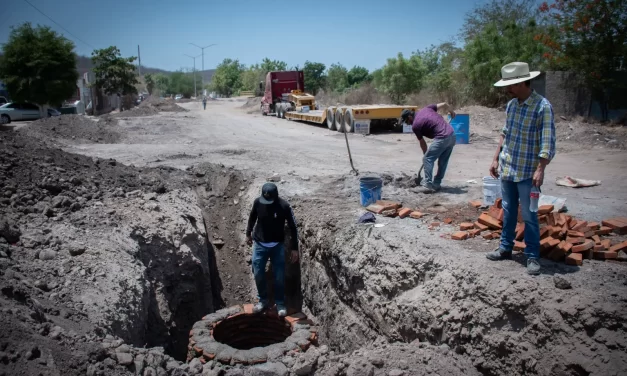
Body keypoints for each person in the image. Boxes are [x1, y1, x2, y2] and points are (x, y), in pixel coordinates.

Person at [486, 61, 556, 275]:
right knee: (507, 211)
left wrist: (541, 168)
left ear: (524, 82)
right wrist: (495, 158)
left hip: (527, 172)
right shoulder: (512, 105)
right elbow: (505, 133)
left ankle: (532, 255)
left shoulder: (542, 106)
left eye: (512, 85)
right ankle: (506, 247)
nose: (509, 89)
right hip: (508, 168)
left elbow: (547, 141)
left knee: (529, 214)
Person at [246, 182, 299, 316]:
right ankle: (263, 300)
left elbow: (293, 227)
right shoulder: (258, 202)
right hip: (259, 245)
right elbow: (252, 218)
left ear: (276, 197)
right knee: (258, 273)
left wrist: (294, 248)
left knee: (279, 276)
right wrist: (248, 233)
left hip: (277, 246)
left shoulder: (284, 206)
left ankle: (280, 303)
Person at [401, 103, 457, 192]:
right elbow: (444, 104)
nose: (408, 124)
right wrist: (451, 111)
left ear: (409, 117)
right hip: (452, 135)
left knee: (427, 159)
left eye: (407, 121)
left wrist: (426, 155)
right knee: (443, 161)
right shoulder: (426, 108)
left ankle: (427, 184)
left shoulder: (415, 125)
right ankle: (437, 184)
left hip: (442, 137)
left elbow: (422, 143)